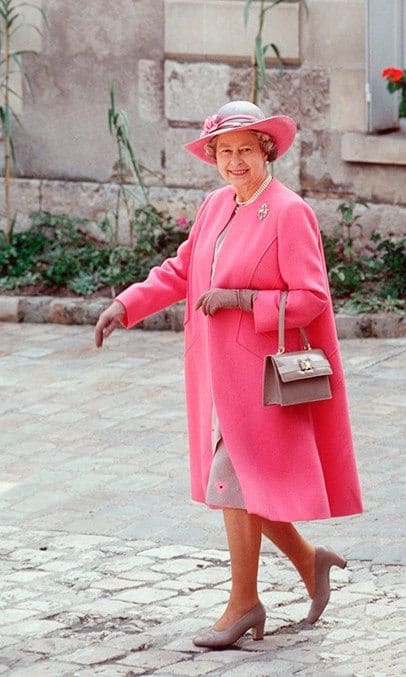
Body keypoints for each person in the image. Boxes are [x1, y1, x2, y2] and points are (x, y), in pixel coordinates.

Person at [95, 100, 363, 648]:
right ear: (214, 156)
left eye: (245, 150)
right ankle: (310, 562)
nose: (235, 161)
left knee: (232, 482)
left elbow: (312, 298)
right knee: (245, 484)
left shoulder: (290, 212)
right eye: (225, 151)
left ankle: (244, 605)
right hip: (218, 378)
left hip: (265, 380)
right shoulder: (216, 205)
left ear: (267, 150)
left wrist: (241, 298)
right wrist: (128, 304)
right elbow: (182, 268)